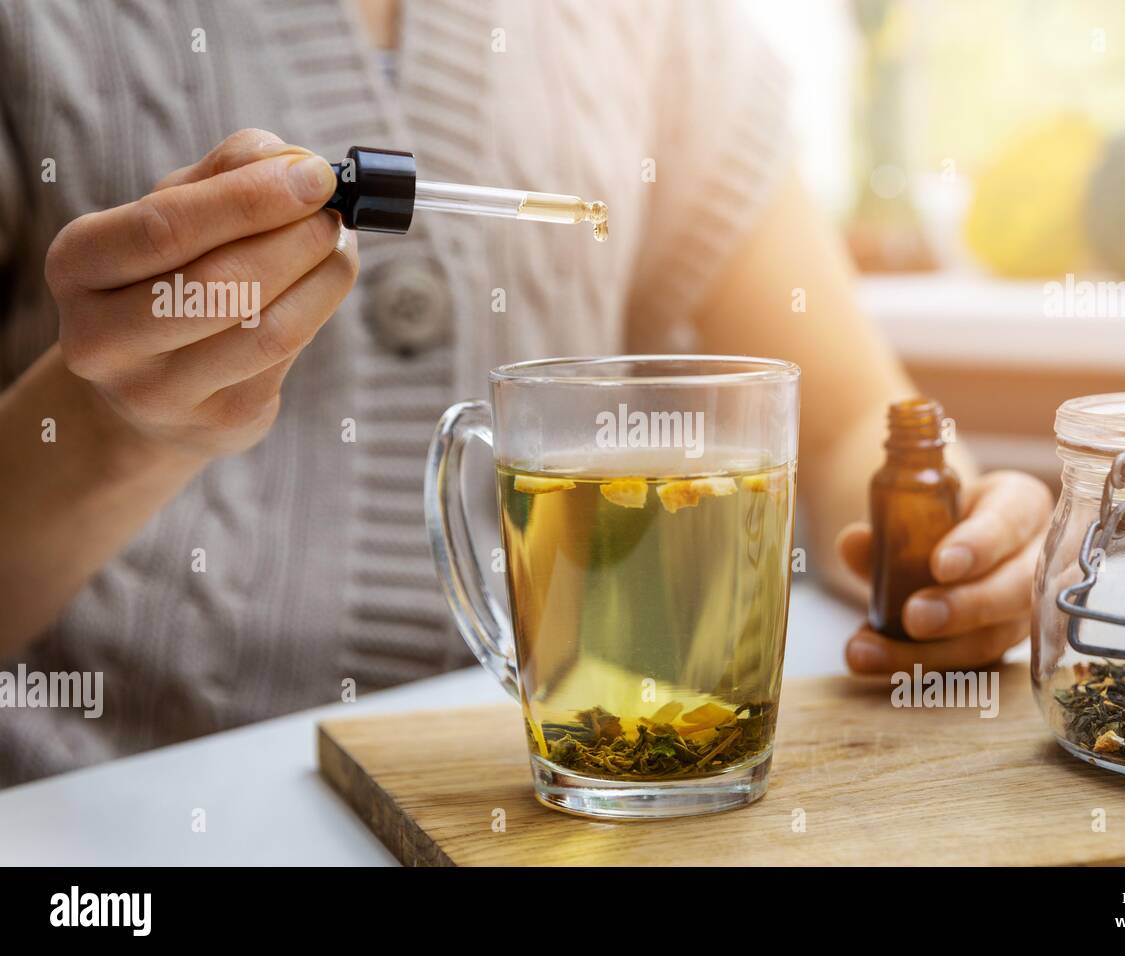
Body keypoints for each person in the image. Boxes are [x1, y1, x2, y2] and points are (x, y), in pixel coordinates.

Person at [0, 0, 1052, 785]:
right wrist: (111, 427)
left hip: (571, 797)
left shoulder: (652, 28)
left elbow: (836, 424)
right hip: (112, 815)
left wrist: (955, 542)